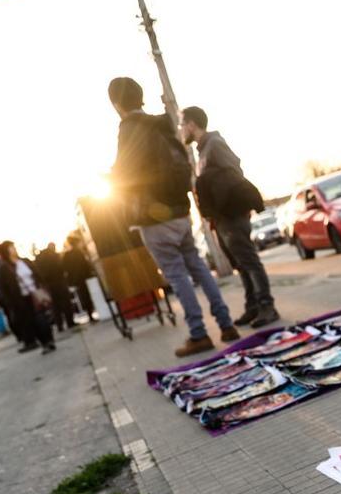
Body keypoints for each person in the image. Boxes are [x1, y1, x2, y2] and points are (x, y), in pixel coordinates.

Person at [107, 77, 239, 357]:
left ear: (116, 104)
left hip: (153, 217)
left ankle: (199, 333)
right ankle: (226, 324)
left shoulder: (128, 128)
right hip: (180, 210)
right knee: (198, 267)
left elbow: (124, 171)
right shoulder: (163, 123)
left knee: (177, 276)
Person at [182, 105, 279, 329]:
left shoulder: (215, 144)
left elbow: (234, 172)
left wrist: (229, 203)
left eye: (182, 124)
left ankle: (267, 306)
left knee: (249, 261)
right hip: (222, 219)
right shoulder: (202, 151)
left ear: (191, 124)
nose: (181, 129)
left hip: (233, 214)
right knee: (241, 264)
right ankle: (253, 305)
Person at [0, 241, 56, 354]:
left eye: (13, 246)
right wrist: (11, 303)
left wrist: (43, 288)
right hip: (22, 300)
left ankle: (49, 340)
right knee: (33, 322)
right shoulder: (5, 268)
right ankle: (45, 343)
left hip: (35, 295)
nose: (14, 249)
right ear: (6, 251)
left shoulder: (25, 261)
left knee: (42, 319)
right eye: (11, 247)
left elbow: (37, 275)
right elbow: (4, 288)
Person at [34, 242, 73, 331]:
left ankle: (59, 325)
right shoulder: (54, 255)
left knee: (55, 307)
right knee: (65, 303)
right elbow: (61, 267)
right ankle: (70, 322)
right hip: (59, 282)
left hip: (48, 284)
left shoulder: (41, 258)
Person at [62, 235, 97, 322]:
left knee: (83, 296)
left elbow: (65, 268)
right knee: (87, 295)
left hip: (76, 279)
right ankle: (90, 313)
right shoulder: (78, 252)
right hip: (83, 277)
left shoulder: (67, 255)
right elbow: (85, 265)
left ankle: (90, 313)